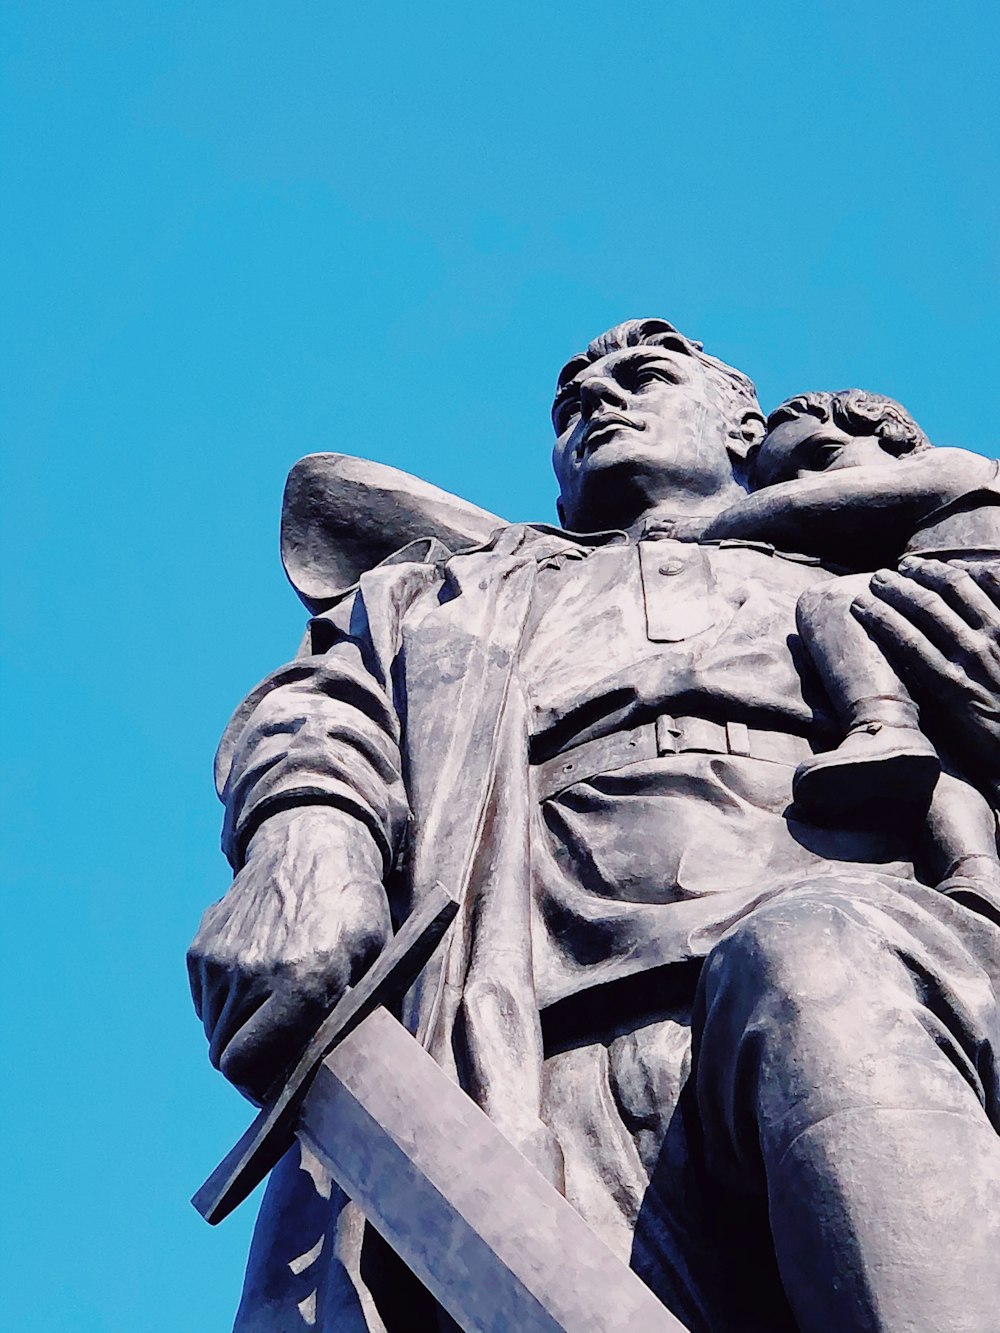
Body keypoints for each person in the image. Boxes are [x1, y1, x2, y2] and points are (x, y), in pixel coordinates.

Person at [189, 319, 1000, 1333]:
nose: (597, 405)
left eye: (643, 377)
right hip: (510, 1042)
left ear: (744, 427)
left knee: (814, 952)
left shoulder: (855, 579)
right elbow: (323, 709)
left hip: (861, 991)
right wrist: (304, 836)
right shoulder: (449, 589)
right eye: (570, 405)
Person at [679, 388, 1000, 896]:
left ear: (891, 436)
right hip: (941, 615)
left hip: (981, 588)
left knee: (835, 601)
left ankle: (884, 724)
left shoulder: (953, 468)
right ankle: (975, 871)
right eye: (786, 476)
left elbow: (804, 507)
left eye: (822, 455)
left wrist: (703, 529)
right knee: (932, 772)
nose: (808, 481)